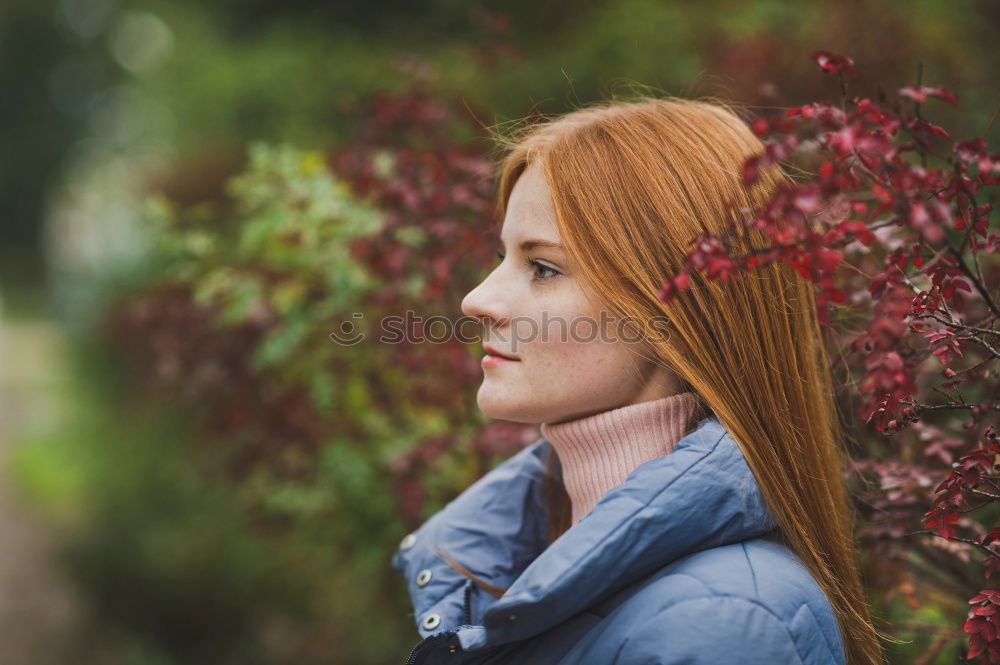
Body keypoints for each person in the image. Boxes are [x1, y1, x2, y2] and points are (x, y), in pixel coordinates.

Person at [391, 96, 885, 665]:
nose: (477, 299)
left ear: (677, 311)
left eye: (544, 268)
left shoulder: (720, 625)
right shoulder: (525, 552)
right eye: (503, 256)